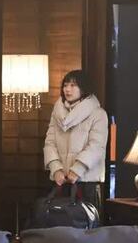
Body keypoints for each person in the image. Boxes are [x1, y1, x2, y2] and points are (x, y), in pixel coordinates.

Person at [43, 70, 108, 209]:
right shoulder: (57, 113)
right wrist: (56, 168)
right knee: (58, 220)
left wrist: (77, 169)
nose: (67, 89)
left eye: (73, 85)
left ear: (84, 87)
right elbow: (49, 143)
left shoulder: (98, 114)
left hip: (86, 181)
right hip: (60, 180)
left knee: (85, 221)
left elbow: (96, 146)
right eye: (65, 85)